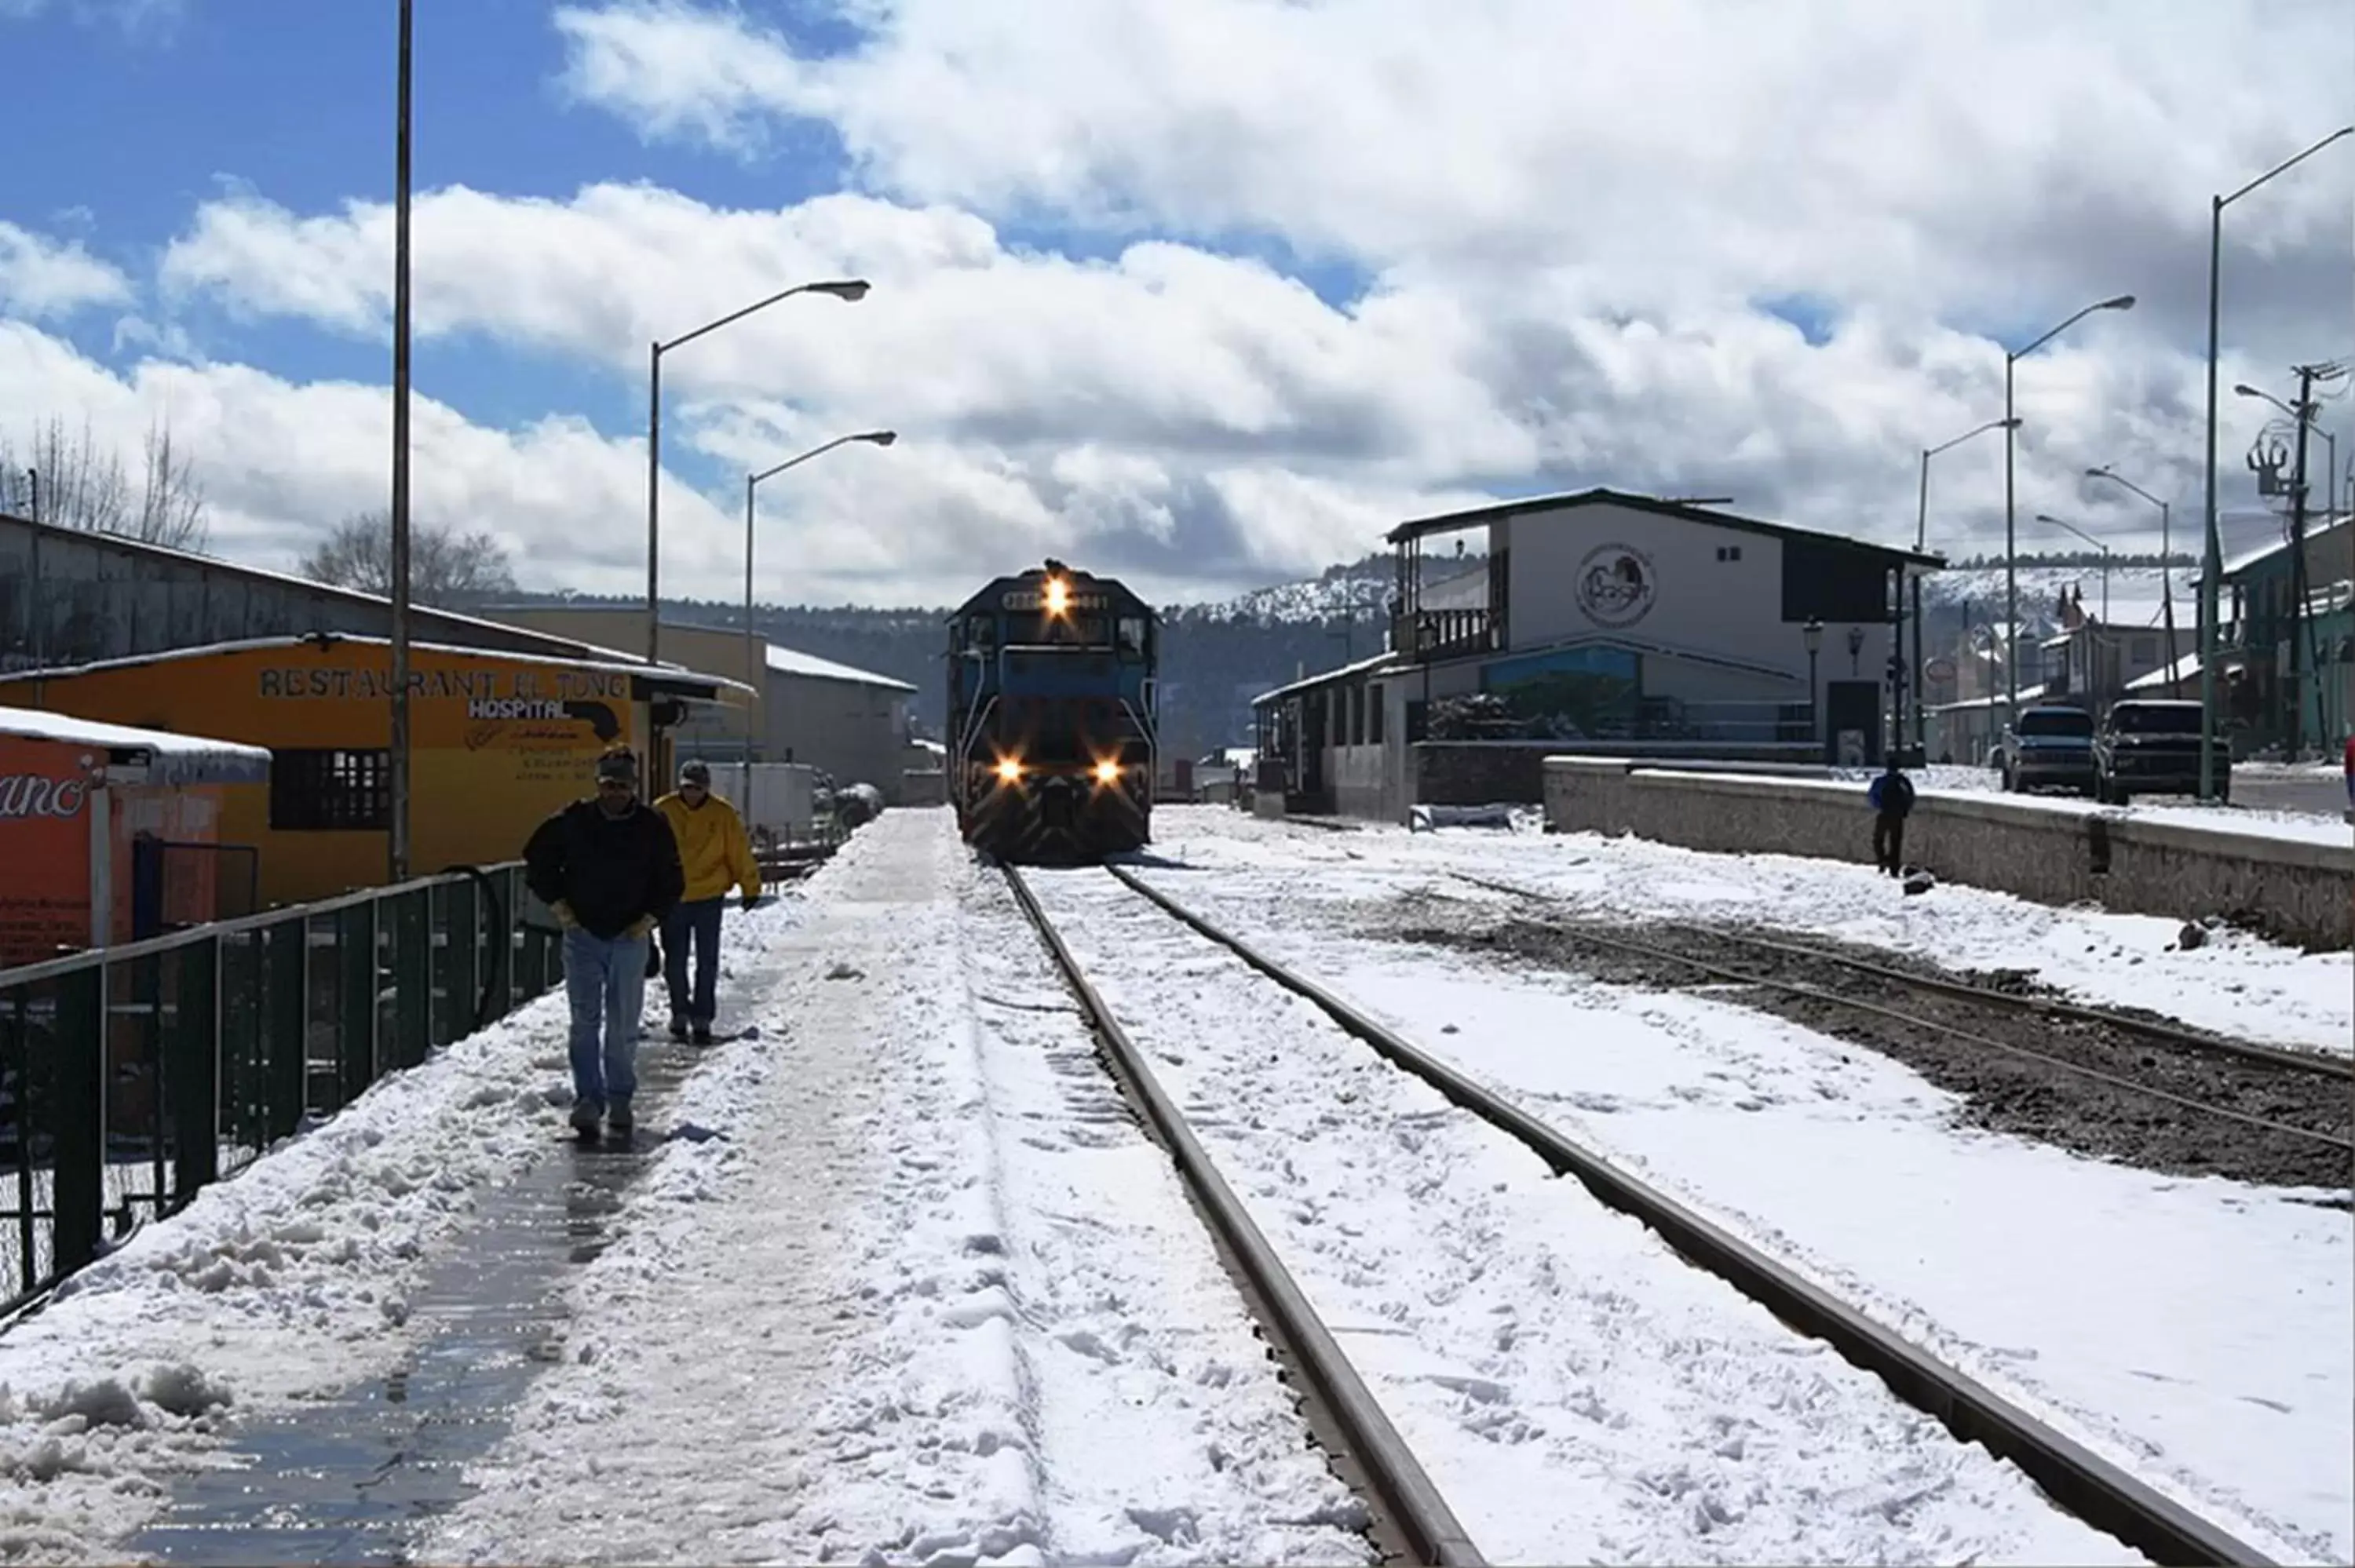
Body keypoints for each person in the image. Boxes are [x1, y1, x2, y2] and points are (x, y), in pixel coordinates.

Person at [524, 746, 685, 1137]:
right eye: (609, 785)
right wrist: (559, 905)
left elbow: (672, 878)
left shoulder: (652, 825)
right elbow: (536, 858)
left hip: (631, 935)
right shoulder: (573, 820)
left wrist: (650, 918)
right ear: (598, 785)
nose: (616, 793)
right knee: (584, 1020)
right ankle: (588, 1100)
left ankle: (620, 1098)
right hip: (583, 934)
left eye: (624, 786)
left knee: (623, 1023)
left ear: (635, 788)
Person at [653, 758, 762, 1045]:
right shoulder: (663, 810)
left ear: (707, 788)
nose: (693, 793)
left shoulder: (723, 814)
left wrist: (750, 886)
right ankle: (679, 1010)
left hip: (709, 896)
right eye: (688, 787)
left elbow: (737, 851)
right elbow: (646, 851)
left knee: (707, 960)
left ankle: (702, 1016)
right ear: (680, 785)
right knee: (674, 960)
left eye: (699, 788)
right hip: (673, 896)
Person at [1867, 755, 1916, 877]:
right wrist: (1905, 810)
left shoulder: (1881, 781)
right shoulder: (1903, 781)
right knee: (1896, 842)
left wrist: (1880, 806)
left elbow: (1873, 796)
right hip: (1898, 815)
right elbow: (1911, 796)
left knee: (1878, 839)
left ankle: (1882, 860)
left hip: (1884, 813)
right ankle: (1894, 867)